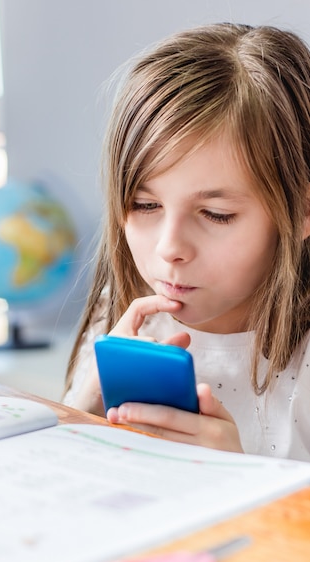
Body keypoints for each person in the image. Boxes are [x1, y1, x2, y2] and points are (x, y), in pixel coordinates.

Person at [63, 23, 310, 461]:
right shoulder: (121, 314)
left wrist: (241, 478)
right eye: (144, 205)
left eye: (216, 215)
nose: (169, 248)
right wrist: (84, 408)